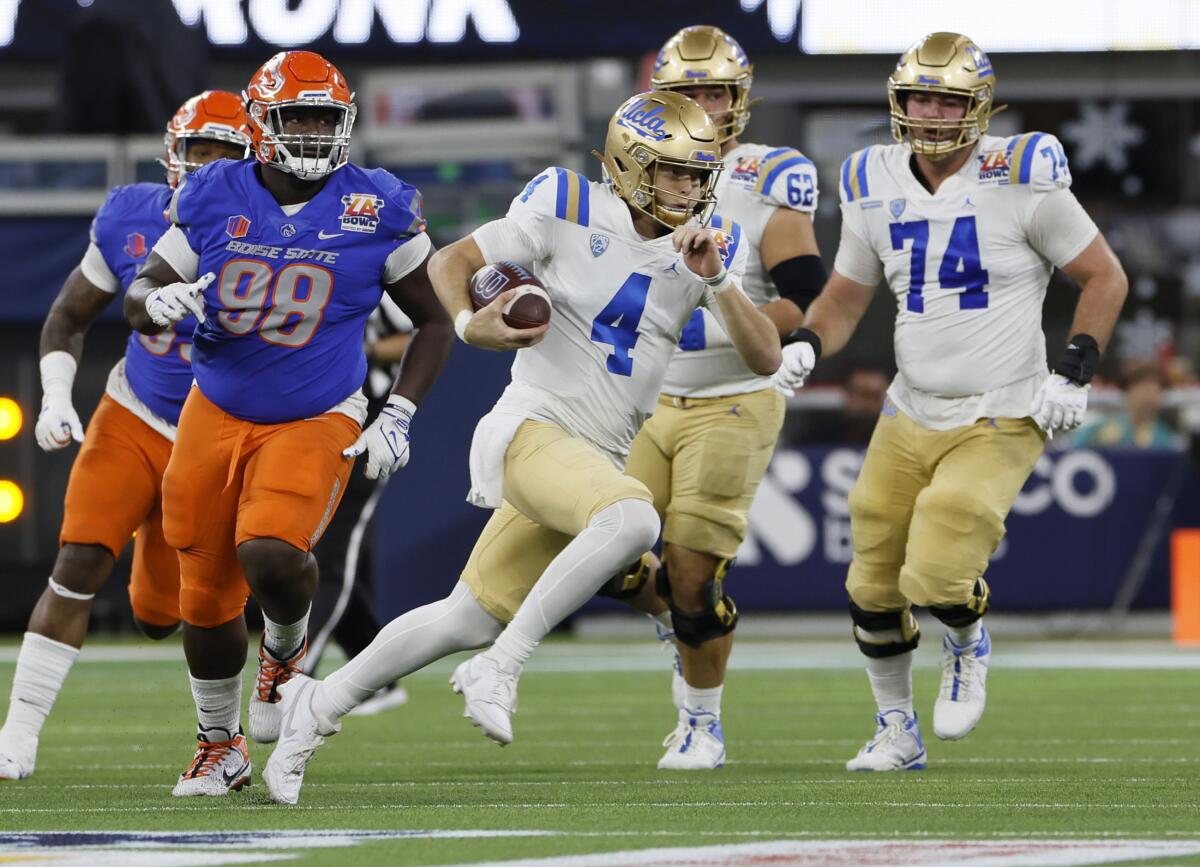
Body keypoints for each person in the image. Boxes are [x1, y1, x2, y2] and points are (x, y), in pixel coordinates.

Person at [261, 89, 781, 804]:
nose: (690, 189)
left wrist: (717, 278)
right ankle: (502, 667)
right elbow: (453, 261)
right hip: (534, 427)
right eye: (673, 173)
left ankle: (311, 709)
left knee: (463, 615)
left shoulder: (707, 238)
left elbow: (764, 359)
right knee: (633, 521)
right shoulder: (566, 199)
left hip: (593, 454)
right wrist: (474, 325)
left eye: (698, 174)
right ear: (630, 166)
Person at [774, 32, 1128, 770]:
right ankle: (896, 727)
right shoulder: (871, 176)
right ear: (898, 103)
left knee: (936, 567)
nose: (931, 113)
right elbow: (845, 293)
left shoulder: (1020, 173)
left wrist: (1075, 368)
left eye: (948, 99)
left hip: (1002, 404)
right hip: (911, 406)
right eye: (919, 97)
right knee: (870, 579)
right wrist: (807, 341)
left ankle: (967, 641)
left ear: (980, 108)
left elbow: (1104, 276)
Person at [124, 50, 453, 797]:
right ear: (260, 122)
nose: (309, 131)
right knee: (200, 589)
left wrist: (398, 412)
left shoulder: (378, 204)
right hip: (216, 405)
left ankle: (284, 652)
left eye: (322, 118)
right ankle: (219, 745)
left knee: (270, 551)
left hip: (315, 410)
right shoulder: (213, 192)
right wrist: (155, 303)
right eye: (295, 116)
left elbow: (435, 320)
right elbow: (146, 284)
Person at [0, 91, 252, 781]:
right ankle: (16, 732)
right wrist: (55, 393)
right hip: (135, 413)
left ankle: (234, 726)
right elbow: (67, 315)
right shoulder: (132, 215)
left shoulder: (273, 225)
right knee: (78, 558)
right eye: (197, 153)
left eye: (224, 155)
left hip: (216, 428)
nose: (206, 169)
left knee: (160, 614)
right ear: (173, 156)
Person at [597, 25, 825, 770]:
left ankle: (701, 721)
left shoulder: (769, 176)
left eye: (716, 91)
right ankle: (678, 617)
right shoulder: (632, 171)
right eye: (688, 91)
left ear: (739, 99)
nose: (703, 103)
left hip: (733, 391)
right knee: (596, 546)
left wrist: (754, 327)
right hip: (641, 396)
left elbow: (803, 296)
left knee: (693, 571)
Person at [304, 295, 414, 715]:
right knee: (308, 552)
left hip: (364, 427)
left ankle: (297, 672)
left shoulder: (379, 270)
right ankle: (378, 677)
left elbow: (422, 330)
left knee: (330, 556)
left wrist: (360, 348)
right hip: (311, 424)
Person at [1072, 362, 1181, 450]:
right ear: (1129, 391)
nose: (1149, 397)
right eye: (1145, 389)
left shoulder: (1164, 438)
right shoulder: (1105, 428)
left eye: (1156, 390)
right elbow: (1074, 446)